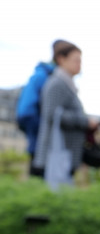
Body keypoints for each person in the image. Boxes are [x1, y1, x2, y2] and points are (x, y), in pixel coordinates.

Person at [32, 41, 100, 188]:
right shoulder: (57, 83)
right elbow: (52, 115)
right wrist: (85, 122)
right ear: (61, 59)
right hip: (55, 154)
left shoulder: (67, 84)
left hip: (62, 154)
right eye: (76, 60)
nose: (79, 64)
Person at [16, 40, 62, 177]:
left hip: (31, 122)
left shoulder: (42, 74)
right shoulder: (47, 77)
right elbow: (30, 111)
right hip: (36, 124)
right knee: (39, 161)